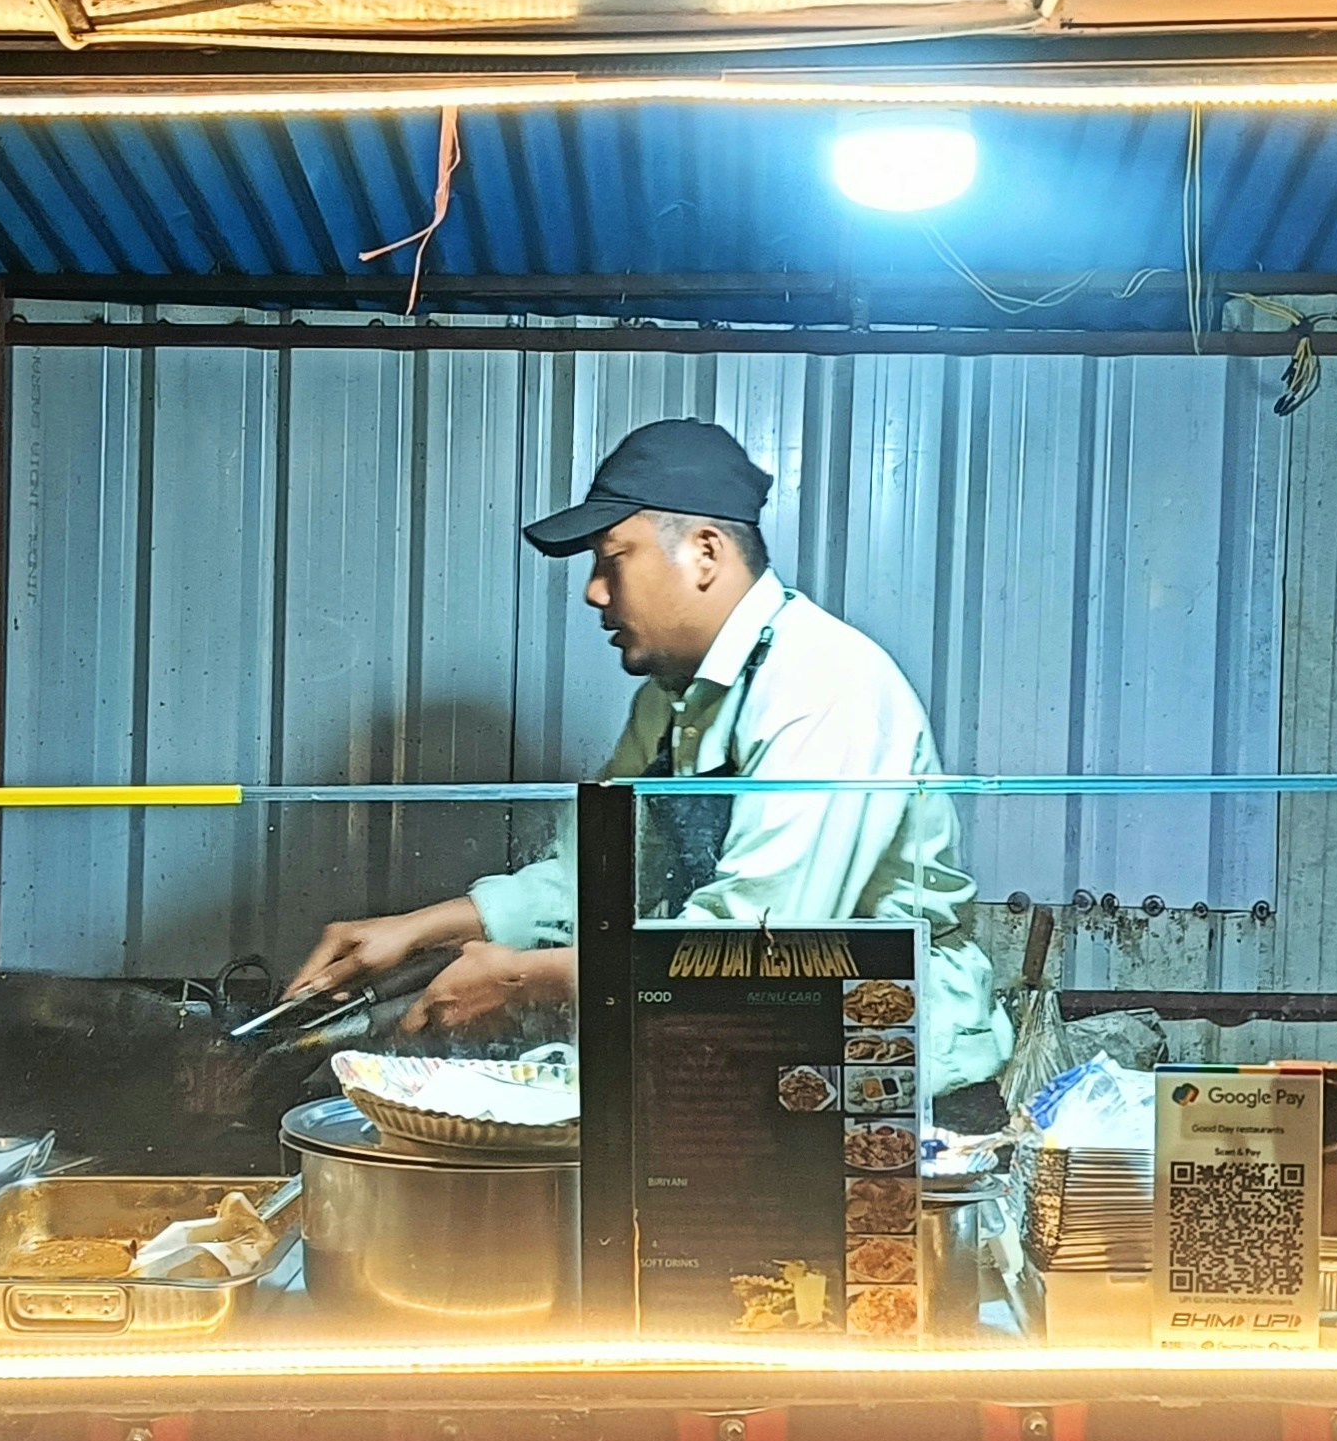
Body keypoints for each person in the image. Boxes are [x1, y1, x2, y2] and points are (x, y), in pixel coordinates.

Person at [288, 418, 1013, 1111]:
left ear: (705, 552)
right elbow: (598, 880)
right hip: (759, 1056)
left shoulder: (826, 683)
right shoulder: (668, 702)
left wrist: (521, 981)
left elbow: (754, 943)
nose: (594, 591)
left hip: (889, 1082)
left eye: (613, 559)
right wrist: (422, 931)